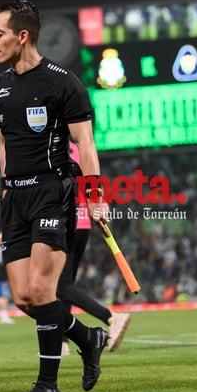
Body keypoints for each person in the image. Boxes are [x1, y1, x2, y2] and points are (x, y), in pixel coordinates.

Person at [0, 0, 111, 392]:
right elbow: (5, 142)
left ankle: (47, 385)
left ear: (22, 36)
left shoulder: (62, 82)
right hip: (16, 199)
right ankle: (88, 337)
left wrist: (94, 196)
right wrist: (3, 192)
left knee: (44, 291)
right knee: (24, 297)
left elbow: (86, 144)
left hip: (52, 194)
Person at [58, 141, 130, 355]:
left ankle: (110, 316)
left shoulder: (56, 144)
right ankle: (61, 342)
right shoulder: (80, 148)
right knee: (65, 283)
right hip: (83, 221)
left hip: (66, 220)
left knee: (60, 287)